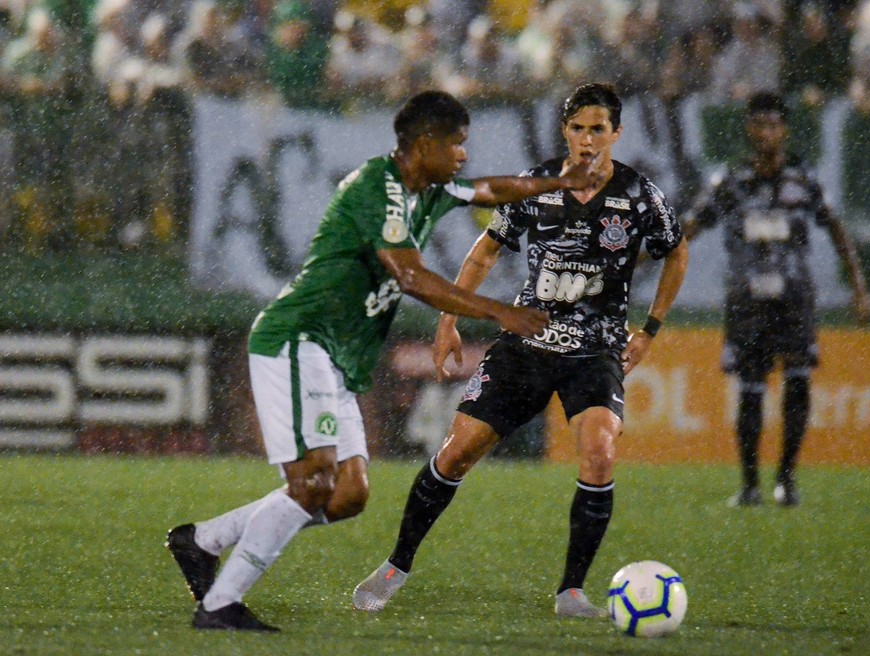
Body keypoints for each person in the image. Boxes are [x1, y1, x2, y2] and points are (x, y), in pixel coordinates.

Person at [165, 90, 600, 632]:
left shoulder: (429, 189)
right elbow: (410, 276)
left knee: (346, 495)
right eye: (456, 145)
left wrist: (560, 182)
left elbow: (491, 188)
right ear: (424, 145)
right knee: (314, 483)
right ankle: (220, 604)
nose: (463, 156)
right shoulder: (379, 187)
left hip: (336, 356)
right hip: (300, 339)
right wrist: (496, 313)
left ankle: (202, 540)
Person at [352, 83, 689, 618]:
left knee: (600, 452)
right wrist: (449, 321)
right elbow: (484, 252)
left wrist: (648, 328)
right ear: (565, 132)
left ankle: (571, 592)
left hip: (595, 352)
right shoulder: (537, 185)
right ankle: (396, 565)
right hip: (527, 344)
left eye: (597, 129)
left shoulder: (640, 194)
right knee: (457, 453)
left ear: (616, 133)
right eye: (577, 128)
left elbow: (675, 253)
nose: (586, 139)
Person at [682, 92, 870, 508]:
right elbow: (688, 229)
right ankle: (750, 484)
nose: (766, 133)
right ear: (749, 130)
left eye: (774, 125)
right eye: (759, 125)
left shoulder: (804, 181)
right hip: (747, 299)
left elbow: (838, 232)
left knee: (798, 378)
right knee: (750, 386)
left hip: (794, 297)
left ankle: (786, 478)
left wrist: (858, 287)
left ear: (784, 130)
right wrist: (646, 258)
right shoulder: (730, 183)